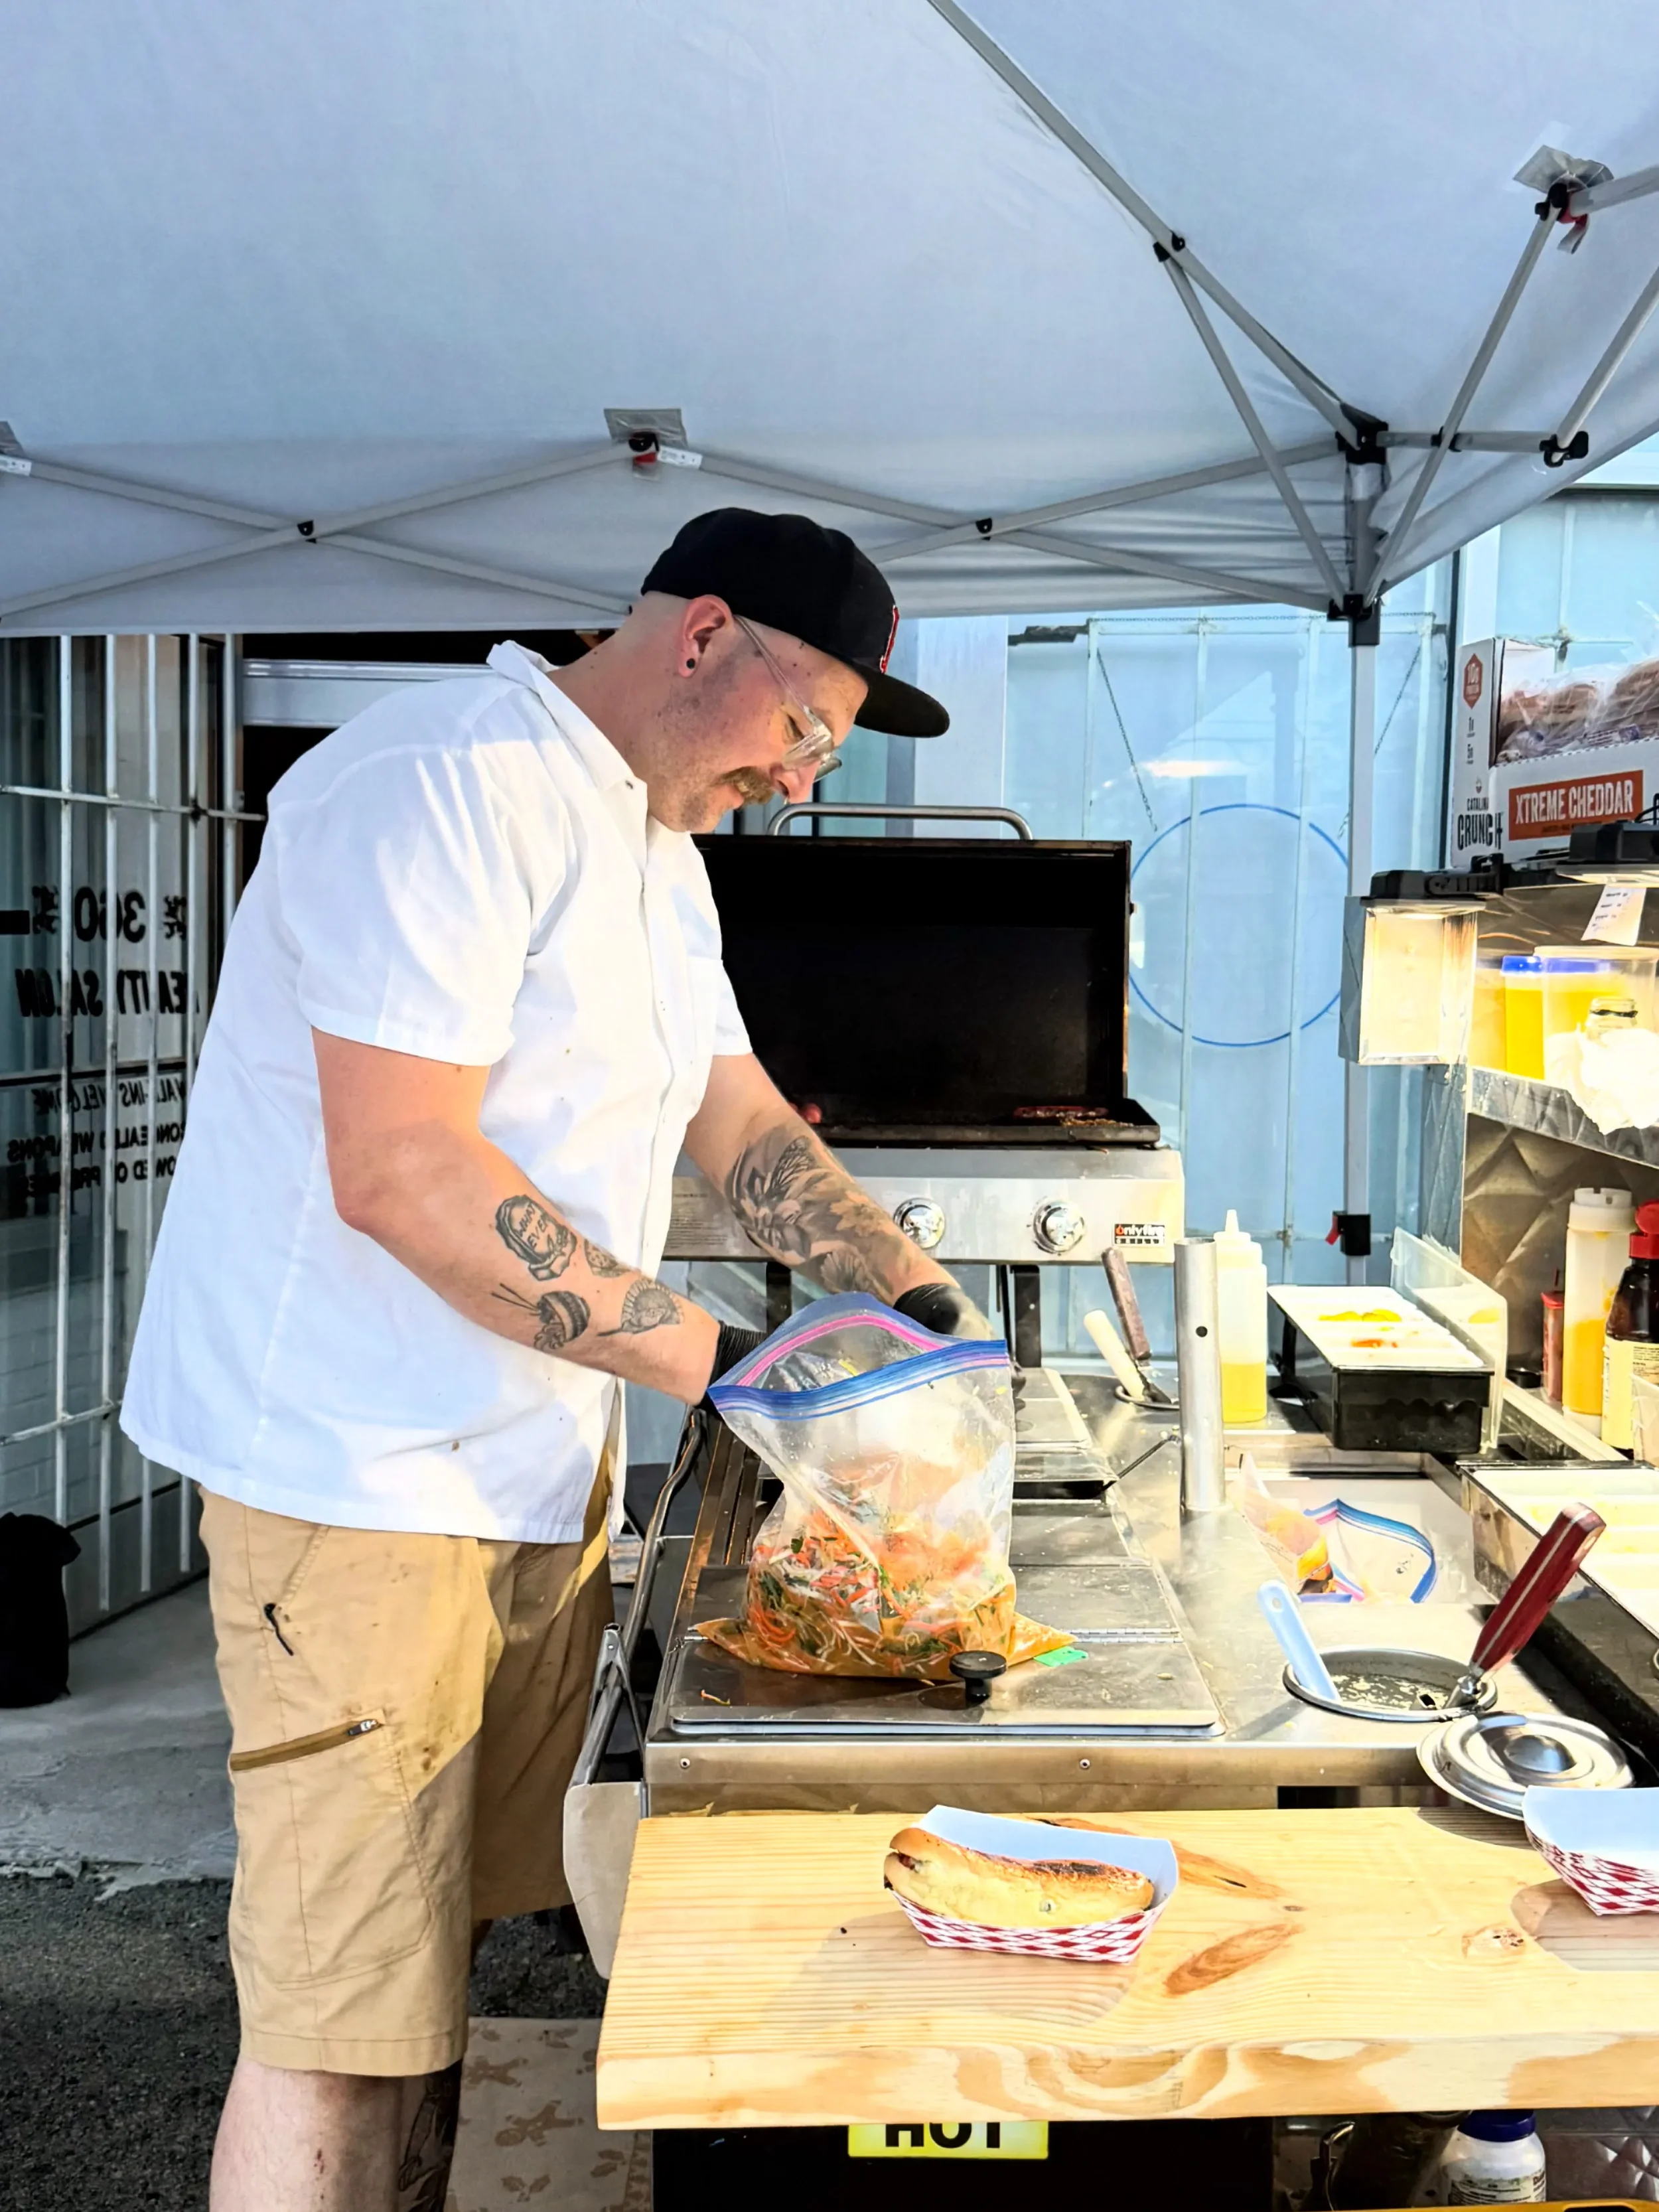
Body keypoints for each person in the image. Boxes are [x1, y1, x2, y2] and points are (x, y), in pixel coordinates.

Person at [121, 506, 989, 2211]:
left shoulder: (659, 857)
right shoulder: (435, 781)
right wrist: (738, 1366)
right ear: (701, 636)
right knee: (335, 2001)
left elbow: (734, 1122)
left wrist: (912, 1308)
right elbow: (408, 1170)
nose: (805, 780)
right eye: (804, 728)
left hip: (527, 1469)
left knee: (431, 1946)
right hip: (355, 1476)